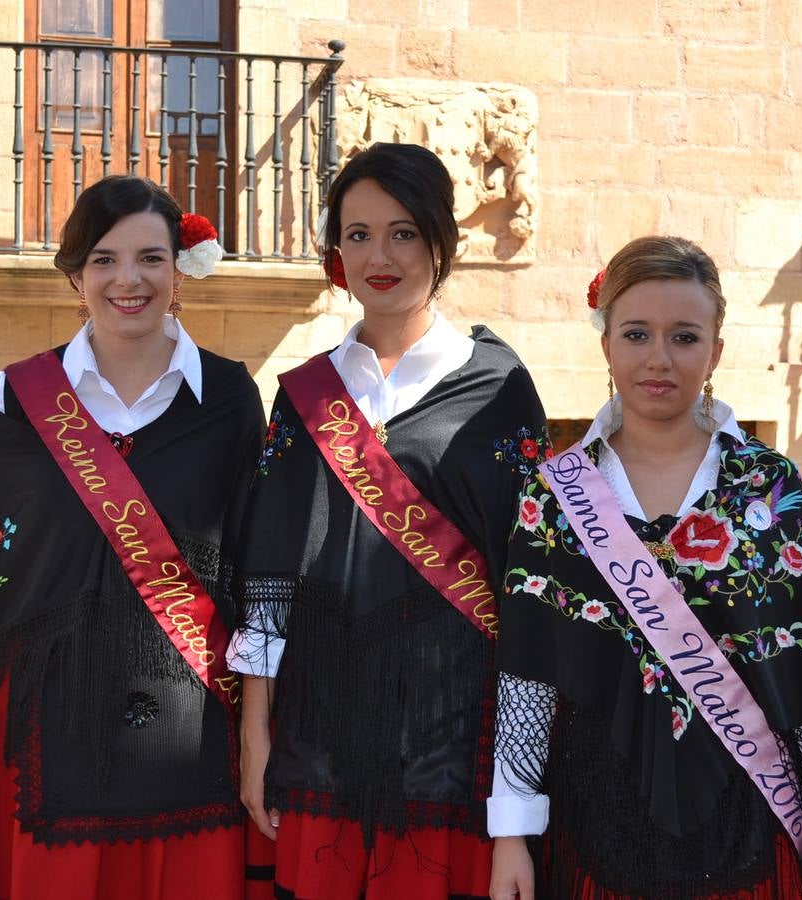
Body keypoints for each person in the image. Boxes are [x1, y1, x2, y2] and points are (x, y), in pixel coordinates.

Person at [487, 236, 802, 900]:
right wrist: (512, 836)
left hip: (747, 815)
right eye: (637, 334)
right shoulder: (553, 493)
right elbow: (529, 675)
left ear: (715, 350)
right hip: (593, 823)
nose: (659, 358)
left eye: (684, 337)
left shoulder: (767, 485)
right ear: (607, 343)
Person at [229, 142, 549, 899]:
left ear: (442, 241)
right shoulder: (303, 394)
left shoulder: (500, 386)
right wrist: (254, 736)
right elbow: (270, 577)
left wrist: (522, 780)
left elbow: (529, 586)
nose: (381, 255)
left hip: (455, 737)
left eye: (404, 232)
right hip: (321, 732)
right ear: (336, 250)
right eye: (358, 234)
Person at [0, 175, 265, 900]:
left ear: (178, 268)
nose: (129, 280)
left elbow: (251, 563)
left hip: (190, 720)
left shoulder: (230, 397)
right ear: (75, 275)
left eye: (151, 258)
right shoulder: (17, 395)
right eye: (104, 259)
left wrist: (259, 721)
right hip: (44, 719)